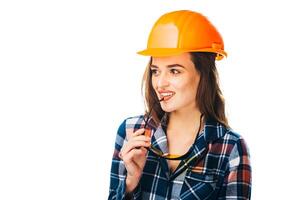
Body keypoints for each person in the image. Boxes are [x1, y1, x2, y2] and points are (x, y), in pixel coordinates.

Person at [108, 10, 251, 200]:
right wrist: (130, 183)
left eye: (174, 71)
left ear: (203, 76)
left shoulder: (229, 147)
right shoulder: (130, 132)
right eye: (155, 71)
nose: (160, 83)